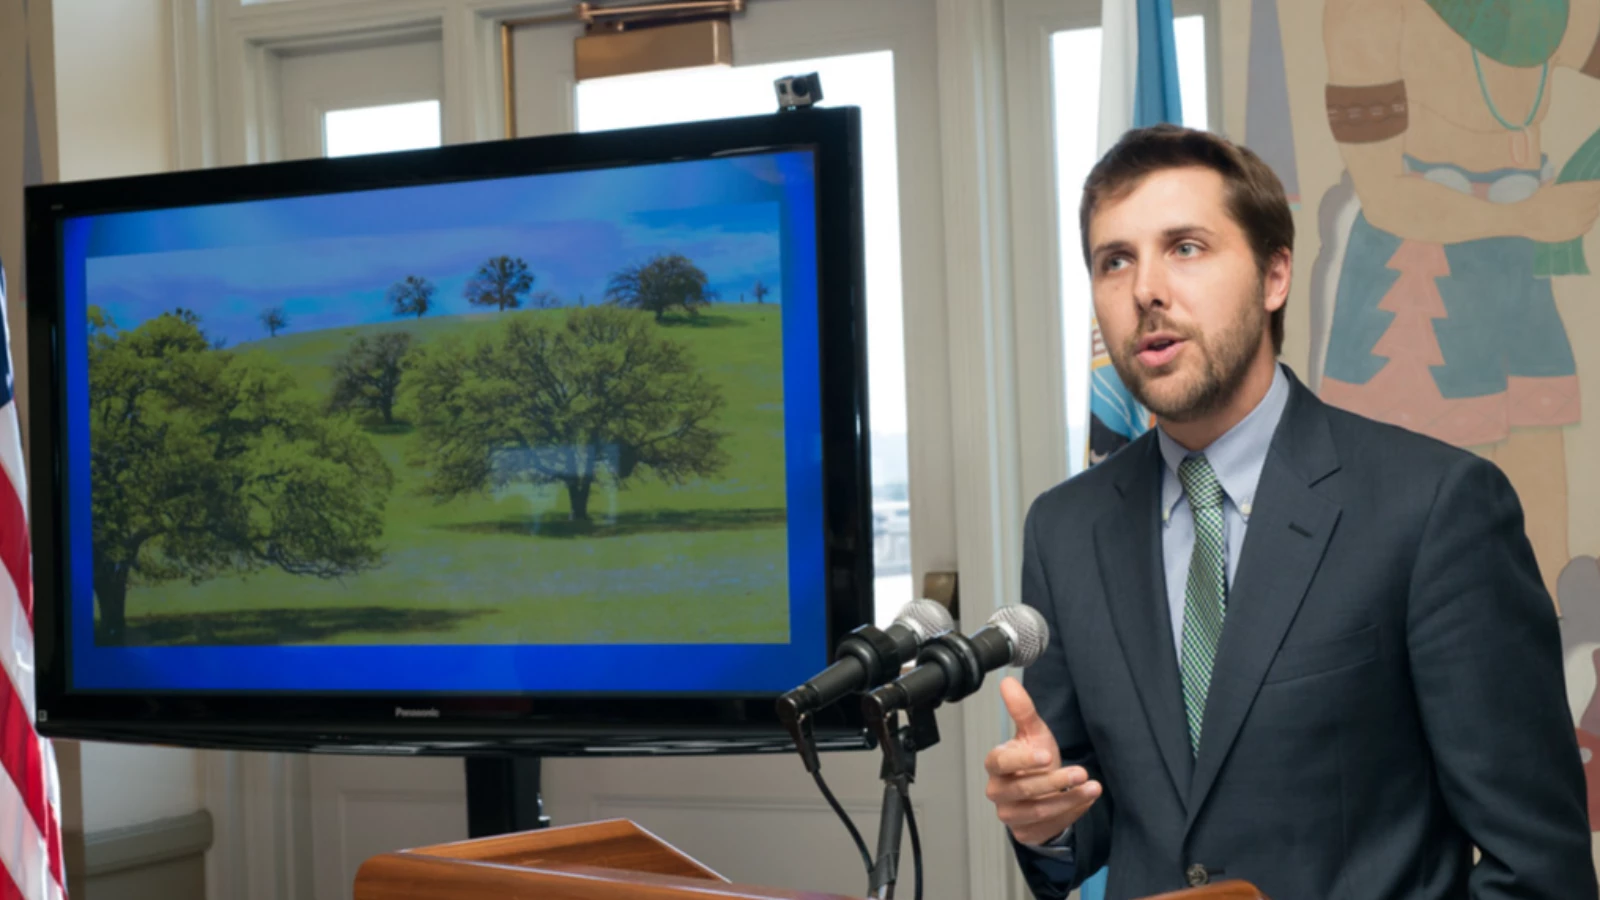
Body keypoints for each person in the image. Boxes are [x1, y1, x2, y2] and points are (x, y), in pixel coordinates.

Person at [985, 124, 1596, 900]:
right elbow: (1095, 824)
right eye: (1116, 260)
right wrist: (1047, 823)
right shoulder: (1065, 530)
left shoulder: (1435, 507)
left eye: (1186, 247)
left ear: (1275, 276)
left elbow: (1539, 870)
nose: (1145, 289)